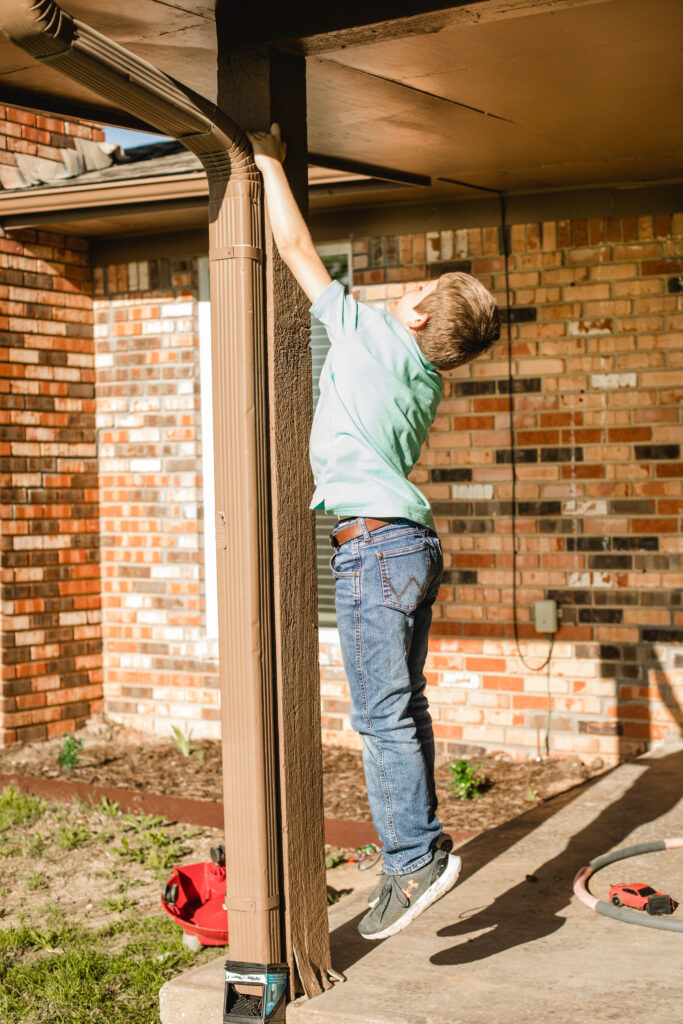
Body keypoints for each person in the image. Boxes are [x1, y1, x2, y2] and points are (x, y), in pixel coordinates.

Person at [248, 124, 500, 940]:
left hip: (375, 548)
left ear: (421, 310)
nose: (406, 287)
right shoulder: (423, 376)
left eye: (418, 284)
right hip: (410, 547)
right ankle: (415, 850)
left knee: (382, 717)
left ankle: (413, 860)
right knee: (402, 710)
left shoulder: (365, 332)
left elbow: (292, 244)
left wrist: (265, 162)